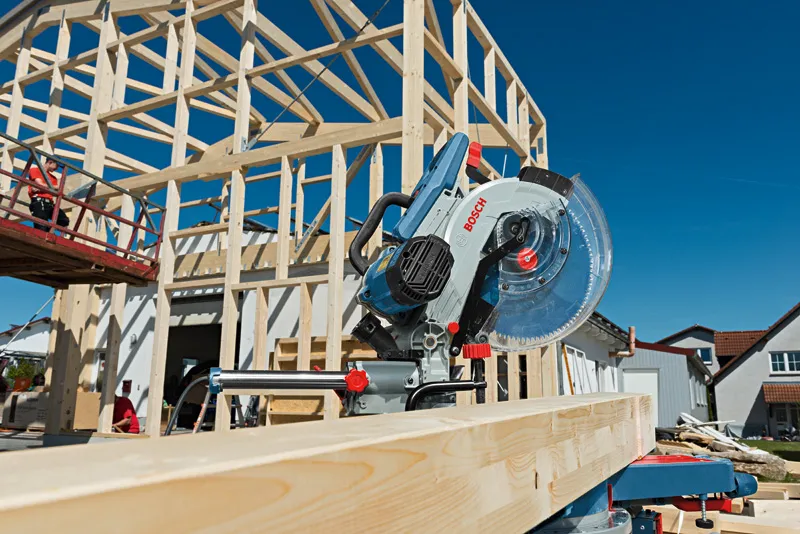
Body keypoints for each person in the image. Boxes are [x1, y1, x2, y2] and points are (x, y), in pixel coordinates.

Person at [27, 157, 69, 232]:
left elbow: (56, 190)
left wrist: (43, 187)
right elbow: (40, 184)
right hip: (39, 202)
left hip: (50, 203)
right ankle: (46, 232)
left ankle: (49, 231)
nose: (57, 168)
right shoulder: (35, 170)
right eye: (57, 165)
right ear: (50, 162)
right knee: (41, 226)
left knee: (64, 220)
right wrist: (52, 187)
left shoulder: (53, 178)